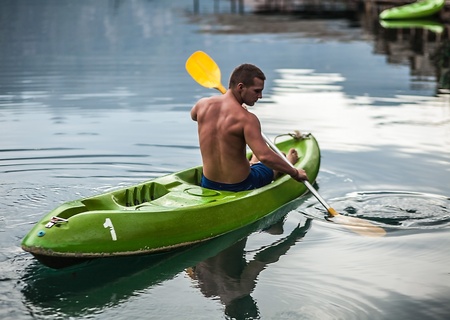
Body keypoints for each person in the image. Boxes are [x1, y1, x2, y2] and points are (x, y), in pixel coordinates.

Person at [190, 63, 308, 192]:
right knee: (267, 164)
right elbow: (265, 157)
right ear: (241, 87)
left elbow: (194, 116)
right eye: (256, 91)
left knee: (254, 158)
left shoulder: (202, 105)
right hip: (241, 186)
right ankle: (287, 160)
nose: (260, 96)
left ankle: (252, 161)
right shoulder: (247, 119)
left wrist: (231, 106)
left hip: (208, 183)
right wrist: (294, 173)